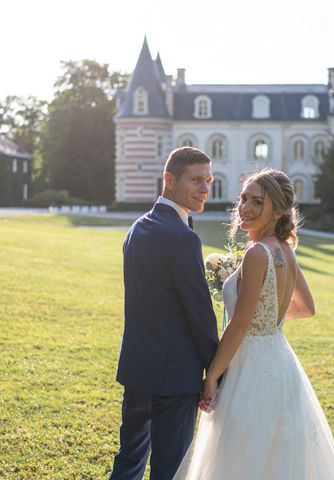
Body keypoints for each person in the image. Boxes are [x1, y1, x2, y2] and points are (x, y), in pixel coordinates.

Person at [175, 169, 334, 479]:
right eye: (243, 199)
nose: (245, 208)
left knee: (240, 459)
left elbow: (240, 325)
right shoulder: (285, 250)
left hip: (250, 370)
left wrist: (212, 376)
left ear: (278, 210)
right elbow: (306, 308)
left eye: (257, 202)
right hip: (280, 362)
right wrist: (267, 321)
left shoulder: (257, 253)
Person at [109, 147, 219, 480]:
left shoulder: (136, 228)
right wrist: (217, 373)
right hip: (174, 378)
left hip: (137, 369)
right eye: (196, 180)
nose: (204, 189)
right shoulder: (183, 238)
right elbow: (200, 315)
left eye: (209, 181)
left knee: (128, 461)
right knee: (170, 471)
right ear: (169, 180)